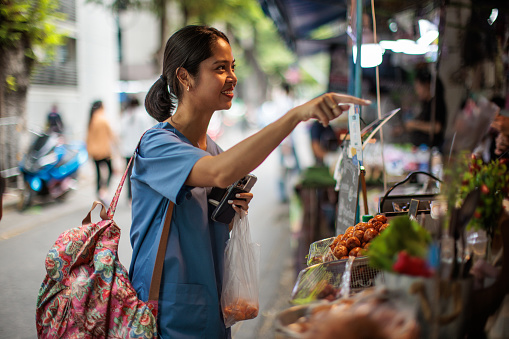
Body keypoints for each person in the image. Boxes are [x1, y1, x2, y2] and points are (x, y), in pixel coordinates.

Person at [128, 25, 369, 338]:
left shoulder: (212, 149)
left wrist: (227, 215)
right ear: (184, 77)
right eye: (219, 68)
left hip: (212, 307)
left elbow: (204, 218)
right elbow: (219, 172)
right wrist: (295, 116)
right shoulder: (156, 145)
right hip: (169, 313)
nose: (232, 76)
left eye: (232, 67)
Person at [119, 97, 155, 202]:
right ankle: (140, 195)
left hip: (127, 151)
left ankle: (130, 197)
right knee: (141, 173)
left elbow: (121, 133)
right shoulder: (143, 115)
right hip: (140, 150)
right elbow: (148, 132)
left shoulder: (125, 115)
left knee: (129, 174)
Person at [404, 65, 447, 151]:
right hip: (421, 148)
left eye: (418, 87)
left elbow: (437, 127)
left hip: (431, 149)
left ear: (426, 85)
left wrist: (414, 125)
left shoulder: (436, 103)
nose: (417, 91)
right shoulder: (426, 103)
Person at [86, 100, 115, 201]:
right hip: (104, 152)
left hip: (94, 152)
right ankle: (104, 190)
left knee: (98, 173)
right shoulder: (103, 119)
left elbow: (88, 137)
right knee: (110, 171)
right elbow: (111, 135)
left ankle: (99, 192)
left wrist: (89, 150)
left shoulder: (91, 119)